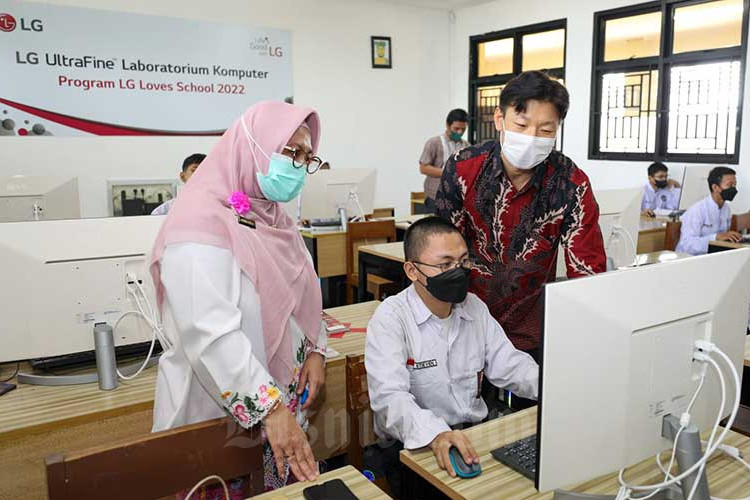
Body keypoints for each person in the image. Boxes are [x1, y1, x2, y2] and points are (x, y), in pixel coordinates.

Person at [150, 101, 330, 494]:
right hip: (218, 423)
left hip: (280, 416)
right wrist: (270, 407)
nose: (300, 166)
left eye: (307, 157)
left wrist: (316, 350)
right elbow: (210, 333)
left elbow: (305, 292)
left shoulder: (276, 218)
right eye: (292, 152)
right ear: (255, 146)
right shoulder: (196, 223)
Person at [436, 70, 606, 360]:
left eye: (546, 131)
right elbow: (441, 251)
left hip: (531, 334)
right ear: (499, 119)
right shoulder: (463, 168)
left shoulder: (571, 184)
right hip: (463, 326)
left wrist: (584, 340)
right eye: (522, 125)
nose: (531, 138)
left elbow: (587, 271)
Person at [366, 216, 538, 494]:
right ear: (412, 270)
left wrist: (554, 387)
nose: (457, 272)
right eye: (445, 265)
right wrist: (436, 434)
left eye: (463, 262)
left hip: (474, 436)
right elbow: (390, 399)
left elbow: (511, 365)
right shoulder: (391, 319)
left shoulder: (474, 308)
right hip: (417, 446)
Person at [676, 166, 741, 255]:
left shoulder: (726, 208)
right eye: (729, 185)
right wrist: (716, 238)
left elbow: (724, 237)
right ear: (715, 187)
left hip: (713, 255)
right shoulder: (697, 210)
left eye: (735, 185)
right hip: (691, 258)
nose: (733, 188)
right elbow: (687, 245)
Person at [419, 109, 470, 212]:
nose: (459, 132)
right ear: (447, 125)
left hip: (457, 197)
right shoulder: (434, 143)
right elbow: (423, 168)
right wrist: (448, 173)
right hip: (435, 195)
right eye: (456, 129)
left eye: (463, 129)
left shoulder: (466, 146)